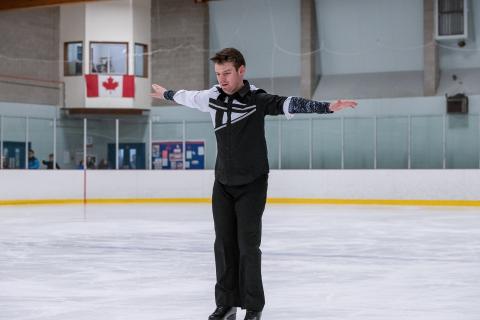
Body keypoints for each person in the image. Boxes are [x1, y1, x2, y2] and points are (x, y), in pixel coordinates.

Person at [151, 47, 357, 320]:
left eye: (227, 73)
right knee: (223, 244)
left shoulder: (257, 99)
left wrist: (327, 107)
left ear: (241, 71)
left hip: (252, 183)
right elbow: (186, 96)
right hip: (223, 182)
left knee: (248, 246)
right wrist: (166, 93)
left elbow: (288, 103)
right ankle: (227, 304)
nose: (222, 79)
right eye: (218, 74)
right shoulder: (211, 97)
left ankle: (254, 307)